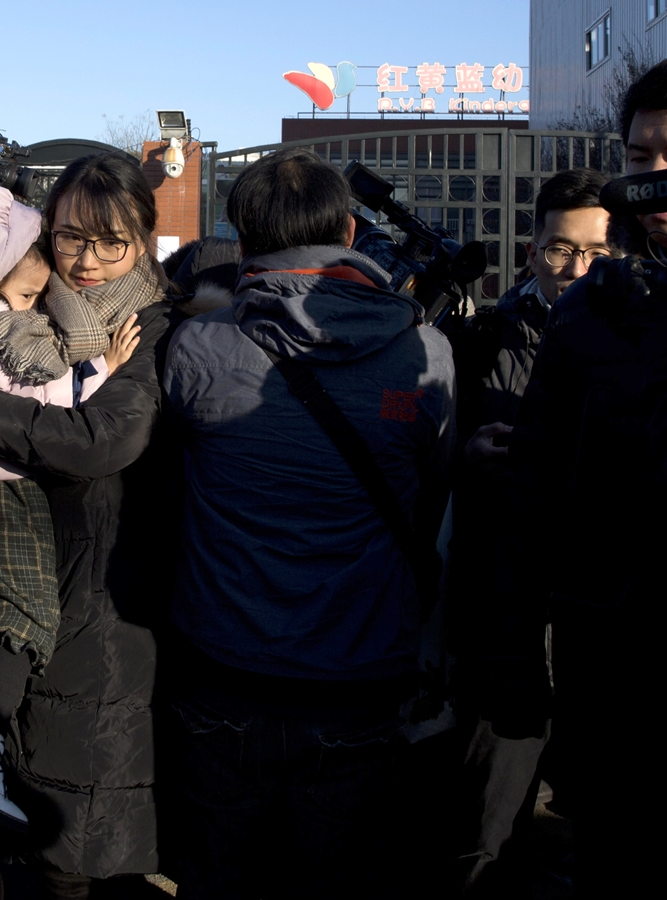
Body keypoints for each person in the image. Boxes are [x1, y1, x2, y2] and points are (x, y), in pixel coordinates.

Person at [162, 147, 456, 898]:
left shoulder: (197, 349)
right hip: (360, 680)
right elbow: (437, 495)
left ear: (243, 240)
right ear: (352, 234)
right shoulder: (424, 354)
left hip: (220, 675)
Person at [0, 151, 175, 896]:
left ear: (143, 241)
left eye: (109, 241)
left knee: (65, 850)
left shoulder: (149, 326)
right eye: (68, 238)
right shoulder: (4, 300)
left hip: (90, 606)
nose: (86, 260)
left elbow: (104, 441)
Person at [507, 60, 667, 896]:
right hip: (611, 686)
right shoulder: (592, 320)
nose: (656, 180)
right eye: (641, 160)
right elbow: (535, 497)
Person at [447, 167, 610, 895]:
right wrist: (466, 456)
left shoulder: (640, 345)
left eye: (596, 254)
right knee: (488, 821)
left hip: (605, 612)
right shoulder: (482, 340)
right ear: (530, 250)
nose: (576, 271)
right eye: (559, 251)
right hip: (507, 609)